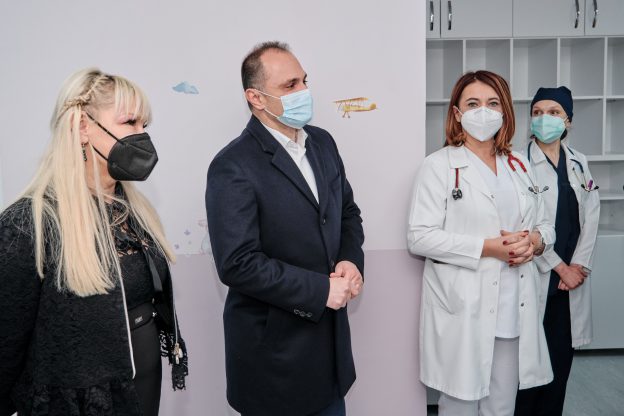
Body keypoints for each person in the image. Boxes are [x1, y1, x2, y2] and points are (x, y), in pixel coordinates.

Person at [0, 68, 188, 416]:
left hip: (144, 387)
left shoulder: (134, 211)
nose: (142, 135)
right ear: (82, 127)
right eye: (129, 122)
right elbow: (6, 340)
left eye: (144, 124)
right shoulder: (30, 223)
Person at [205, 41, 364, 416]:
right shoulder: (232, 166)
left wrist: (350, 260)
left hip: (330, 354)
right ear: (256, 98)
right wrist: (320, 290)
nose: (303, 91)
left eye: (304, 81)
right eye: (290, 85)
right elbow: (238, 263)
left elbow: (346, 213)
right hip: (274, 360)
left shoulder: (322, 143)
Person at [407, 70, 555, 416]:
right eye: (473, 104)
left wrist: (535, 242)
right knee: (459, 404)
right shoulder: (438, 166)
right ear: (457, 113)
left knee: (502, 404)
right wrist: (489, 247)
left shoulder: (519, 164)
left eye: (492, 103)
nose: (483, 111)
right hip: (464, 305)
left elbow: (546, 225)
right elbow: (419, 236)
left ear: (505, 111)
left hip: (513, 304)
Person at [514, 86, 600, 416]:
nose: (543, 118)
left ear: (568, 121)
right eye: (537, 112)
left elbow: (591, 216)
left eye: (553, 112)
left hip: (570, 283)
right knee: (527, 374)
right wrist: (560, 266)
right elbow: (524, 227)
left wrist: (578, 266)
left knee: (560, 367)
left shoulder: (579, 161)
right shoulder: (518, 163)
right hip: (537, 275)